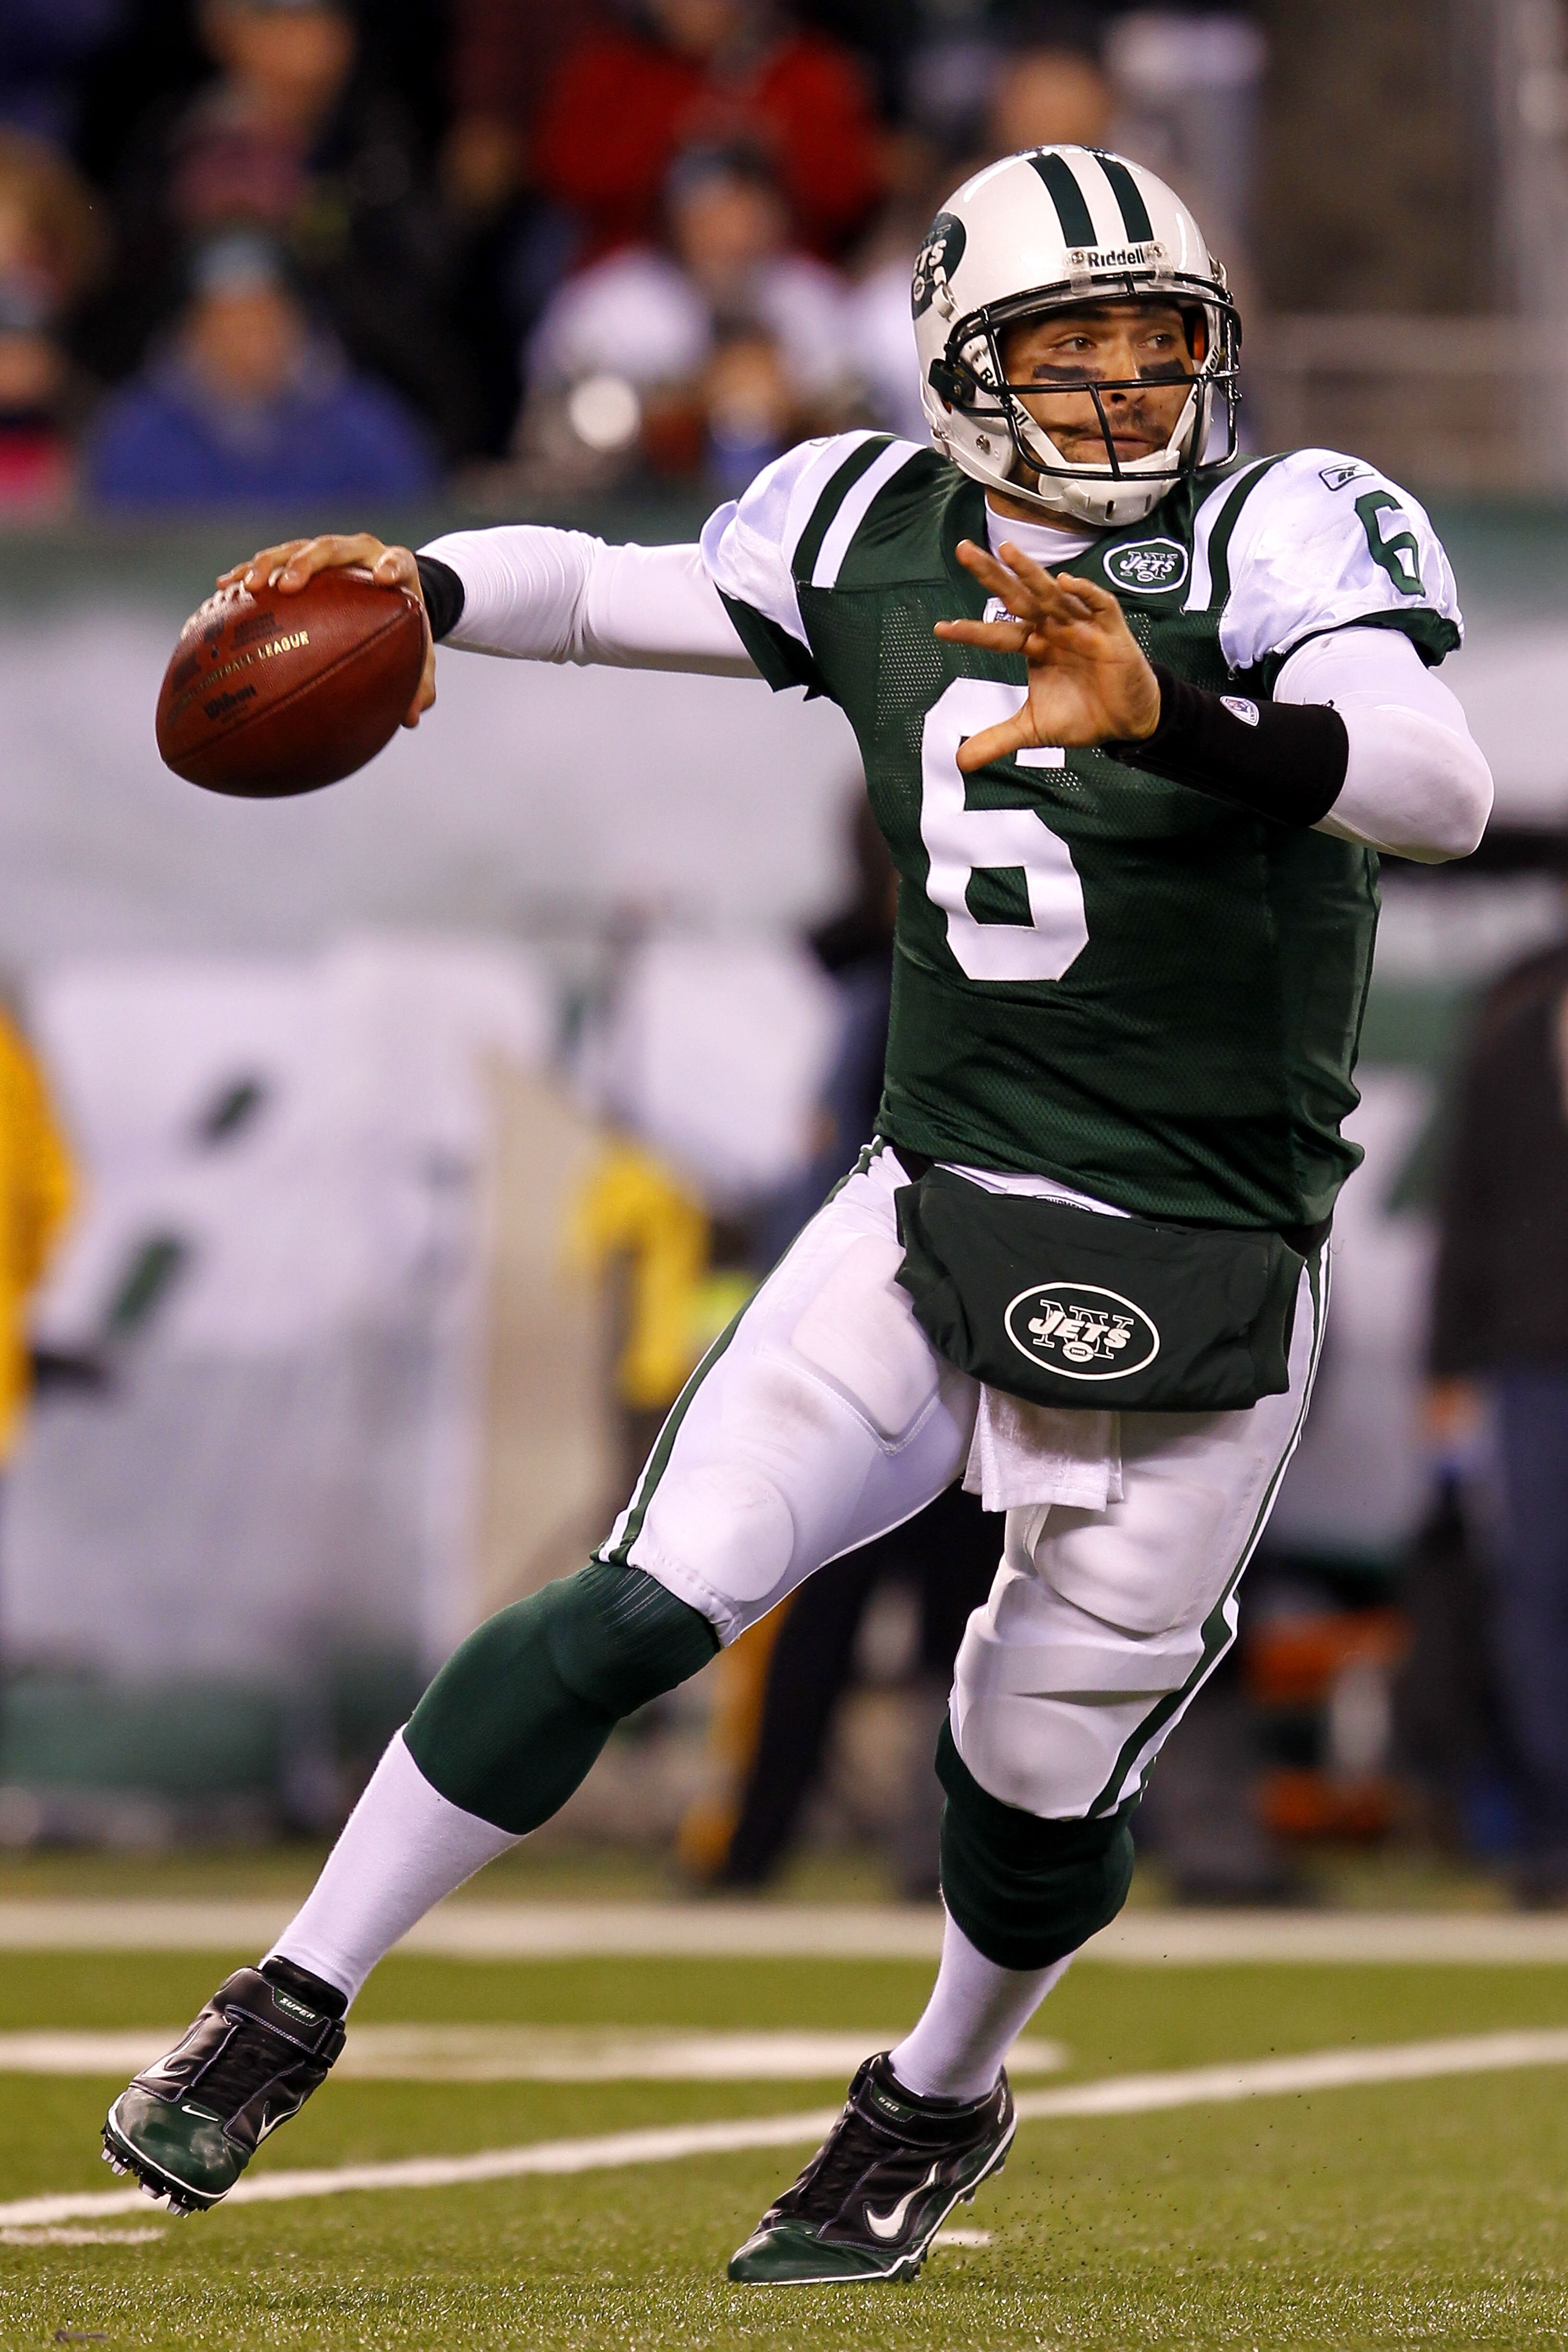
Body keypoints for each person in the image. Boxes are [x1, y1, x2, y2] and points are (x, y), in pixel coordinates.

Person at [103, 143, 1492, 2282]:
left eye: (1158, 347)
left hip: (1211, 1245)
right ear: (962, 363)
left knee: (1029, 1769)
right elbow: (606, 587)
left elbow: (1434, 780)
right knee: (660, 1593)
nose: (1127, 391)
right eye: (1073, 350)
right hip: (932, 1195)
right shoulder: (865, 519)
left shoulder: (1286, 526)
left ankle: (937, 2085)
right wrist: (431, 582)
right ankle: (282, 1999)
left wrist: (1182, 716)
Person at [1428, 935, 1568, 1902]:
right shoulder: (1514, 1041)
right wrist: (1445, 1367)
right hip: (1534, 1361)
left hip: (1532, 1359)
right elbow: (1464, 1208)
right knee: (1535, 1593)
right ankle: (1557, 1826)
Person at [85, 230, 436, 507]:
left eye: (264, 316)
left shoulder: (365, 427)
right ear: (192, 330)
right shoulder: (138, 434)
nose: (247, 337)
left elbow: (412, 542)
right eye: (225, 320)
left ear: (297, 320)